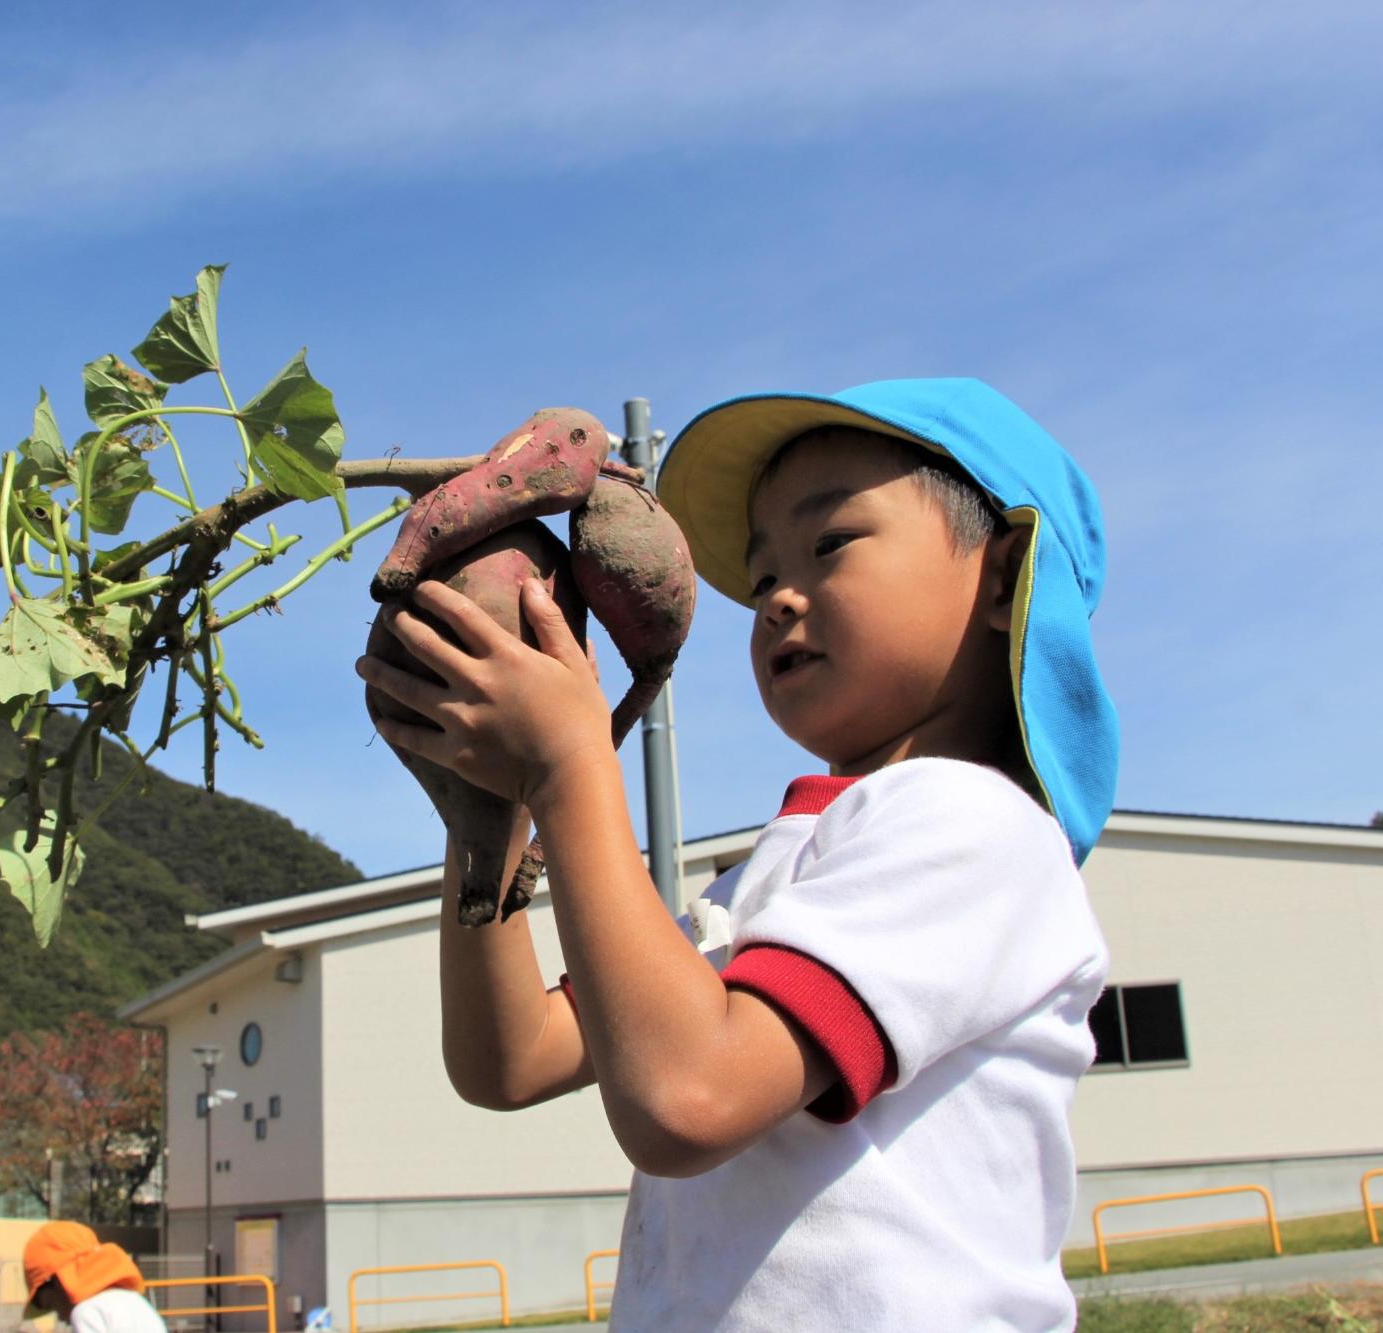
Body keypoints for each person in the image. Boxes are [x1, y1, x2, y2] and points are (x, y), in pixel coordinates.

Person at [356, 378, 1118, 1329]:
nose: (779, 599)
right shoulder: (761, 882)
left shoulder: (978, 829)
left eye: (830, 543)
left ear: (1004, 578)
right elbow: (511, 1057)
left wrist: (568, 770)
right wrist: (489, 817)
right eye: (762, 580)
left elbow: (688, 1094)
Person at [20, 1222, 165, 1333]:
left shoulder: (86, 1311)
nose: (59, 1318)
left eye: (53, 1305)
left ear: (60, 1282)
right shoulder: (134, 1301)